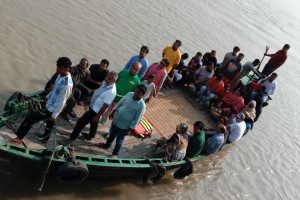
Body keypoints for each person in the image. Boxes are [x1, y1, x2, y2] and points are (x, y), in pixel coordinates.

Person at [8, 57, 73, 145]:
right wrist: (48, 96)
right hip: (49, 103)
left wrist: (54, 115)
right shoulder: (59, 75)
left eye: (60, 68)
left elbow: (62, 101)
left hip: (52, 108)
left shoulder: (66, 85)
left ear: (67, 69)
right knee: (49, 123)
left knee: (29, 118)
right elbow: (54, 90)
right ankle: (45, 138)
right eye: (57, 67)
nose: (57, 69)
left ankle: (19, 138)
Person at [59, 72, 118, 145]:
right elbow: (100, 88)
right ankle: (91, 135)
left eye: (109, 78)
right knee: (94, 122)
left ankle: (70, 140)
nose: (106, 79)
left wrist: (97, 116)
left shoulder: (112, 92)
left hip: (96, 110)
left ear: (114, 81)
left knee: (80, 122)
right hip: (93, 105)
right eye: (106, 77)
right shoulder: (106, 82)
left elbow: (105, 106)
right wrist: (94, 92)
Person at [96, 85, 147, 158]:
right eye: (136, 91)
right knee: (111, 135)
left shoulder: (142, 106)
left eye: (138, 93)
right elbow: (121, 102)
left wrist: (130, 129)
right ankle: (107, 145)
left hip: (124, 126)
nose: (135, 94)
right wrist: (114, 110)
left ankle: (115, 153)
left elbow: (137, 119)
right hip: (116, 120)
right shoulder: (130, 94)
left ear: (142, 95)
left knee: (119, 141)